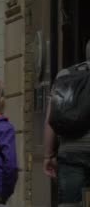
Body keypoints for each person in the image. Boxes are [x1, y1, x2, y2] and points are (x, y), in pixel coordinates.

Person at [43, 40, 90, 206]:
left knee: (70, 203)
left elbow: (51, 119)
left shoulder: (65, 75)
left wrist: (48, 155)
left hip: (70, 154)